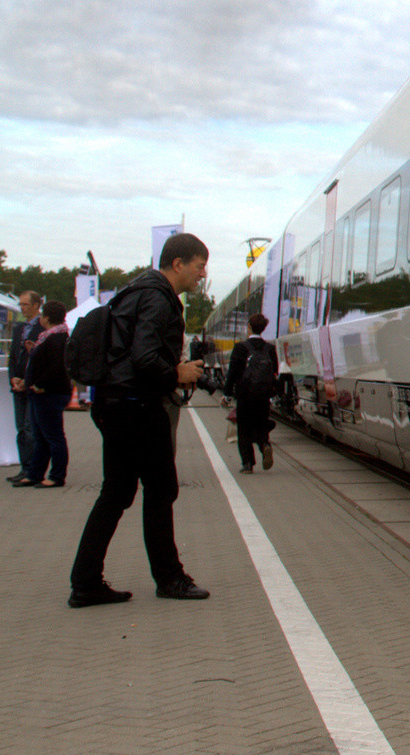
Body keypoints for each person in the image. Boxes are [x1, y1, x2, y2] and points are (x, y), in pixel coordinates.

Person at [67, 233, 213, 608]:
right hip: (137, 407)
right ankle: (170, 578)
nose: (202, 275)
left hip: (113, 402)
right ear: (177, 264)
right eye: (199, 267)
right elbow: (145, 357)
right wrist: (177, 373)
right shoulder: (157, 298)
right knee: (161, 491)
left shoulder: (133, 291)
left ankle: (85, 582)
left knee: (115, 493)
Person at [17, 300, 73, 487]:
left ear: (47, 318)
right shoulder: (50, 337)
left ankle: (57, 476)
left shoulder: (56, 338)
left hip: (49, 393)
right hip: (39, 393)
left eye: (42, 315)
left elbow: (57, 367)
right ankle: (35, 473)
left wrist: (39, 384)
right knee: (41, 436)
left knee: (53, 436)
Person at [225, 313, 279, 474]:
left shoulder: (240, 347)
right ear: (263, 329)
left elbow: (232, 372)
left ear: (249, 327)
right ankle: (264, 445)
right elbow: (275, 372)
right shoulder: (270, 348)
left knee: (244, 428)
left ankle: (248, 464)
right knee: (261, 423)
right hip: (263, 395)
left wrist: (227, 393)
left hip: (244, 394)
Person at [5, 291, 43, 484]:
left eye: (26, 305)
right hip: (18, 385)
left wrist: (26, 381)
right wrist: (13, 378)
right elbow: (12, 357)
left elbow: (40, 359)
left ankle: (33, 470)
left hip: (32, 386)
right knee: (21, 428)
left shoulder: (42, 328)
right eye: (20, 304)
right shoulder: (19, 328)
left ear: (37, 305)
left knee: (30, 429)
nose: (22, 308)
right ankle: (24, 467)